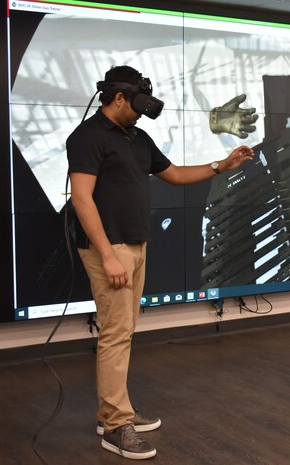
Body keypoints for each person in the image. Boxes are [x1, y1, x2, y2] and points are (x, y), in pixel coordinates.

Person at [67, 65, 254, 460]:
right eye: (135, 105)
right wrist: (106, 254)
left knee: (126, 329)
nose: (139, 112)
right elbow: (82, 199)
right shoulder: (86, 137)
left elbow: (174, 174)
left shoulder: (137, 137)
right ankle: (117, 425)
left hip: (136, 245)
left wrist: (223, 165)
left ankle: (114, 412)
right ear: (118, 98)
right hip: (110, 249)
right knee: (116, 333)